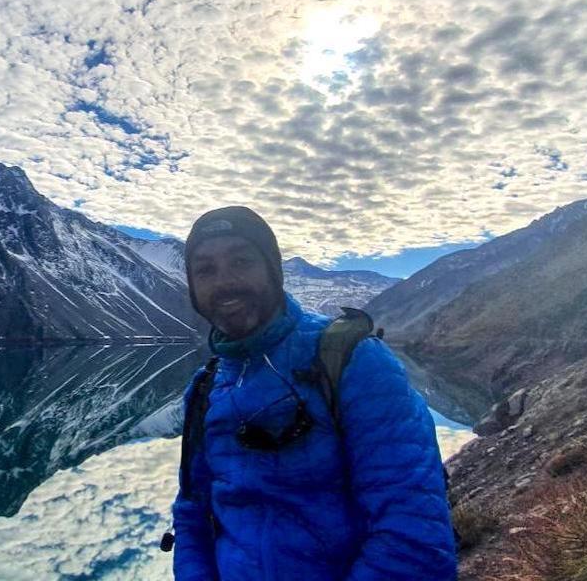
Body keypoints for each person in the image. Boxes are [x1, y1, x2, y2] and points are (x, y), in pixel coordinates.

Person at [171, 206, 456, 580]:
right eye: (205, 270)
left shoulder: (352, 361)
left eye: (241, 261)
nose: (224, 282)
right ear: (193, 288)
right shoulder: (205, 388)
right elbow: (192, 516)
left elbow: (414, 533)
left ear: (273, 271)